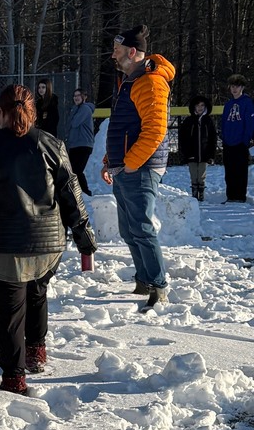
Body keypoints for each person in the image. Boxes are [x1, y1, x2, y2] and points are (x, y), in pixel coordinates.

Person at [0, 84, 96, 395]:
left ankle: (14, 375)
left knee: (9, 308)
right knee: (37, 292)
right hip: (46, 244)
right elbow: (71, 194)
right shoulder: (51, 144)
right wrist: (84, 237)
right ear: (34, 113)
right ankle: (37, 350)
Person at [101, 24, 175, 306]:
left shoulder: (150, 81)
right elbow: (123, 127)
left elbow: (155, 130)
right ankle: (144, 279)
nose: (113, 56)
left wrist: (131, 163)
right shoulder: (132, 80)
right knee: (129, 228)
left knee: (141, 227)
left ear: (132, 52)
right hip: (127, 166)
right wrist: (111, 161)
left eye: (117, 51)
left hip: (141, 167)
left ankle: (158, 285)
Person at [219, 74, 254, 203]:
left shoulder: (247, 102)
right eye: (232, 86)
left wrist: (245, 140)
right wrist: (224, 138)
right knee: (229, 171)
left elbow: (249, 123)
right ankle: (231, 196)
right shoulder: (228, 104)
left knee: (240, 170)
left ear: (242, 87)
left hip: (241, 142)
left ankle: (240, 197)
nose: (234, 89)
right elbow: (223, 122)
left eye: (237, 86)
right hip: (228, 142)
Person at [178, 95, 217, 202]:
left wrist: (211, 155)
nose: (200, 108)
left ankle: (201, 193)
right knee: (194, 174)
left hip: (205, 154)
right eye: (197, 105)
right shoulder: (188, 121)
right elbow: (183, 138)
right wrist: (184, 153)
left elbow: (213, 139)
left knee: (202, 175)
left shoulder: (208, 121)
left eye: (202, 105)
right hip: (191, 153)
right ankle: (194, 192)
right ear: (193, 107)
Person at [65, 88, 95, 195]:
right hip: (74, 145)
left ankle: (85, 191)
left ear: (84, 97)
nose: (76, 98)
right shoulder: (75, 109)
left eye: (78, 95)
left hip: (83, 144)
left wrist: (73, 112)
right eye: (74, 96)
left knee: (77, 170)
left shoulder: (85, 109)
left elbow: (75, 123)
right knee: (72, 170)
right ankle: (77, 191)